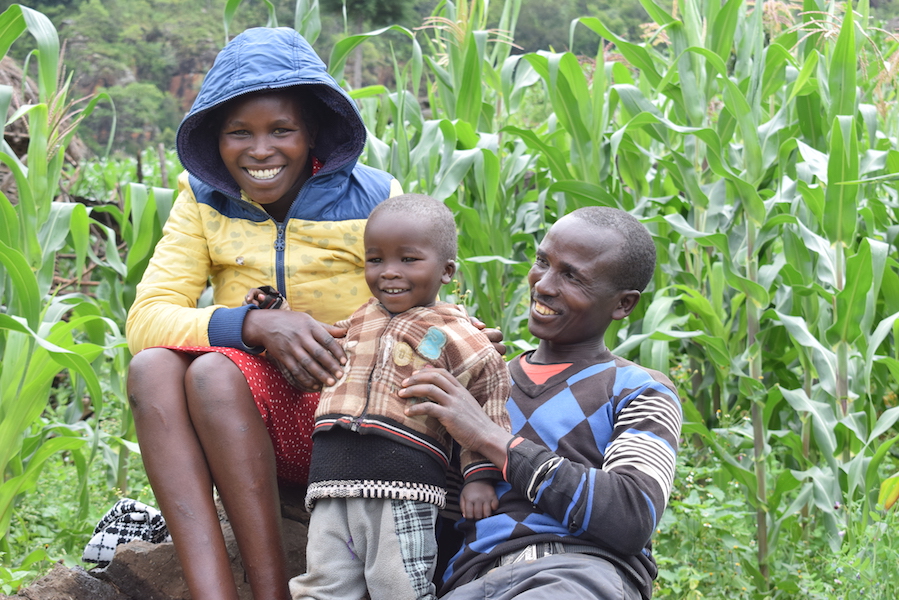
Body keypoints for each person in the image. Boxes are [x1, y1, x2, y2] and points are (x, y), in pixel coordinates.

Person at [125, 27, 403, 600]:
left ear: (312, 134)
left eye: (282, 130)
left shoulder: (376, 197)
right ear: (215, 138)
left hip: (348, 427)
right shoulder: (203, 201)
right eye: (238, 133)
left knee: (211, 371)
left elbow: (419, 312)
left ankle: (274, 591)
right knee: (152, 368)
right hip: (250, 434)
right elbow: (146, 320)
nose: (260, 150)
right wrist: (253, 324)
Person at [399, 207, 683, 600]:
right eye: (542, 262)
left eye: (572, 276)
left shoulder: (640, 389)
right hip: (471, 582)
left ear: (623, 305)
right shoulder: (481, 384)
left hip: (579, 575)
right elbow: (441, 512)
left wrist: (488, 436)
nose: (544, 285)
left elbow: (631, 516)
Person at [286, 194, 511, 600]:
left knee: (399, 586)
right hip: (331, 481)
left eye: (408, 260)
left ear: (446, 271)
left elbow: (488, 400)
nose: (389, 273)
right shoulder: (360, 319)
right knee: (322, 586)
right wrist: (277, 311)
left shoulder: (460, 335)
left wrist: (480, 477)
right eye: (375, 260)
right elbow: (316, 347)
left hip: (401, 485)